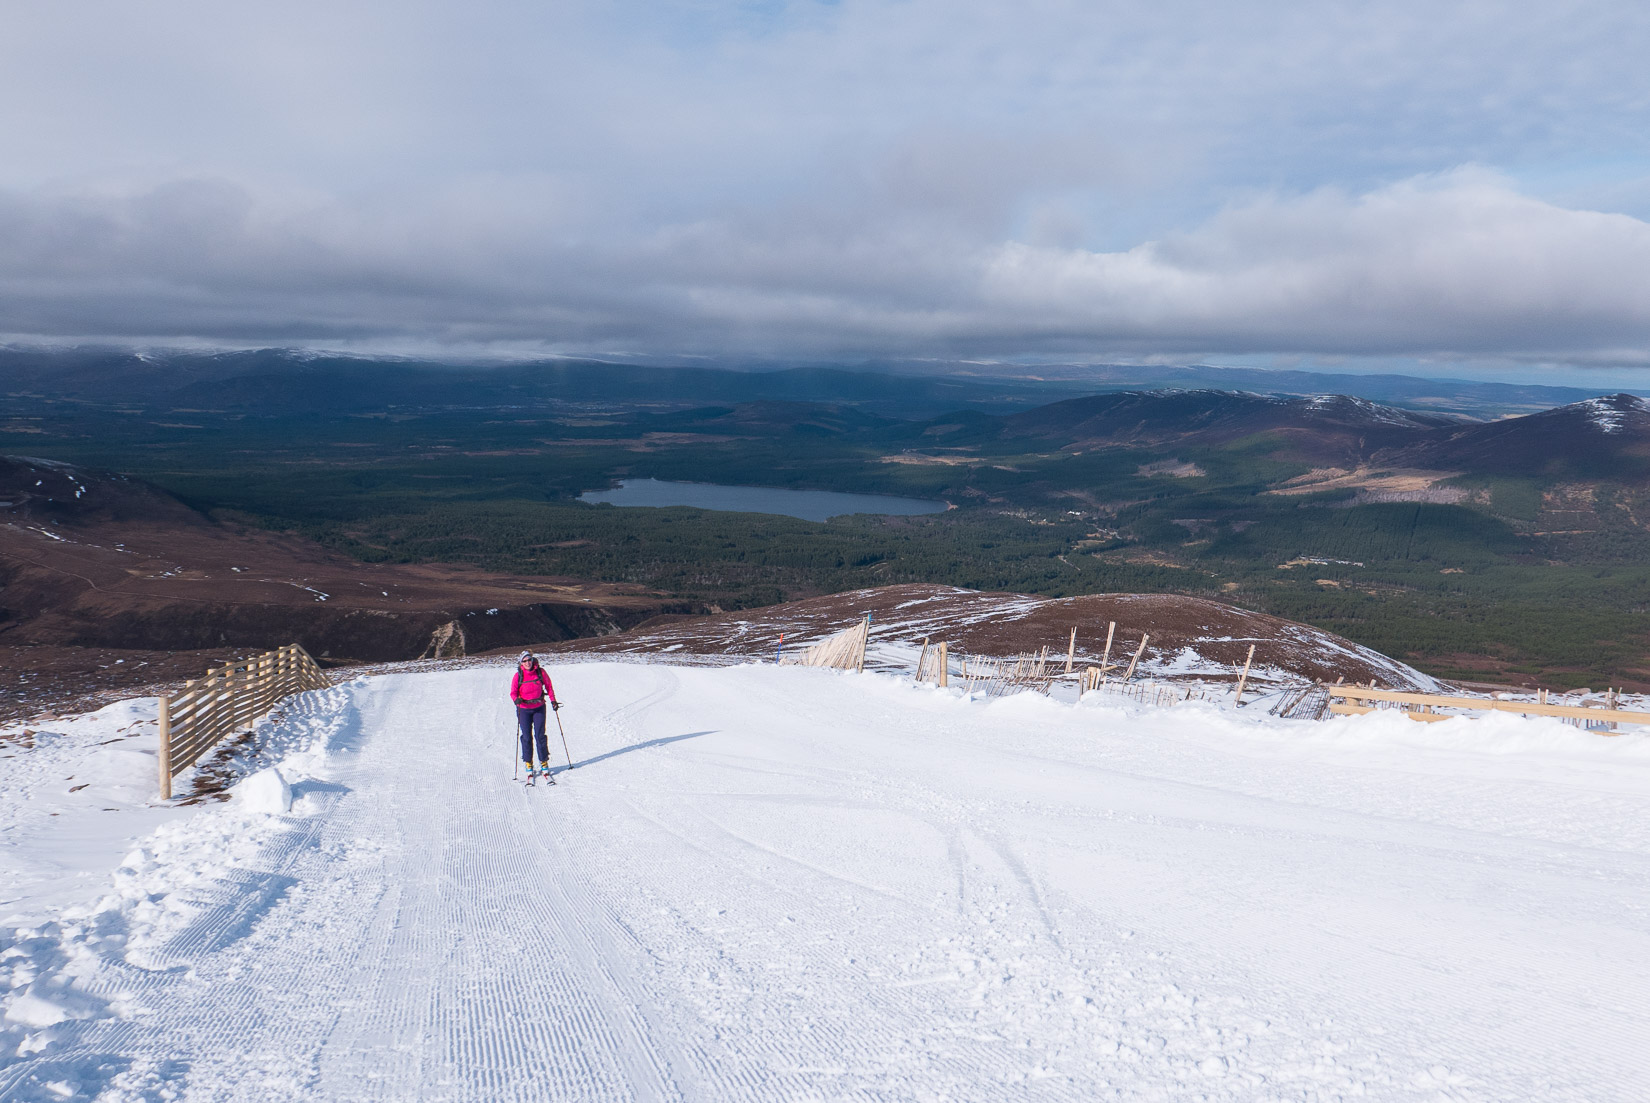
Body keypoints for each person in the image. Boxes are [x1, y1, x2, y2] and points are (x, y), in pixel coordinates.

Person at [510, 650, 559, 778]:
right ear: (521, 662)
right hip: (524, 709)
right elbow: (513, 692)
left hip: (539, 708)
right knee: (526, 736)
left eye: (529, 660)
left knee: (540, 735)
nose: (527, 663)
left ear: (532, 660)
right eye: (524, 661)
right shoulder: (518, 675)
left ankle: (544, 762)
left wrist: (553, 701)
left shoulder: (540, 672)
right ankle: (528, 763)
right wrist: (516, 700)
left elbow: (549, 686)